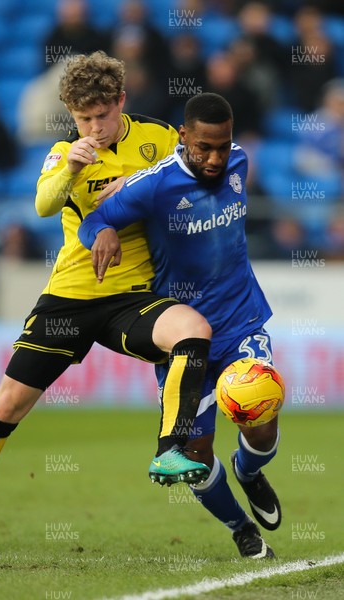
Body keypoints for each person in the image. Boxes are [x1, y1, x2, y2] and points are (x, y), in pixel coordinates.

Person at [0, 51, 213, 556]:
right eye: (83, 119)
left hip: (131, 299)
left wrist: (137, 190)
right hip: (69, 301)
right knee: (6, 406)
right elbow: (44, 204)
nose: (94, 127)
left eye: (102, 115)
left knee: (193, 329)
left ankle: (168, 451)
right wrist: (71, 166)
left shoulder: (158, 138)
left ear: (121, 100)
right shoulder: (64, 152)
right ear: (71, 115)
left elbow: (195, 180)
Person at [78, 92, 282, 559]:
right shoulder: (154, 185)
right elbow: (95, 219)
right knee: (193, 453)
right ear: (183, 137)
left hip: (241, 320)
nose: (215, 158)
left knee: (262, 426)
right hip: (184, 336)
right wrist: (104, 231)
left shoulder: (240, 163)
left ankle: (249, 472)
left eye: (223, 146)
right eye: (203, 147)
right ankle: (240, 528)